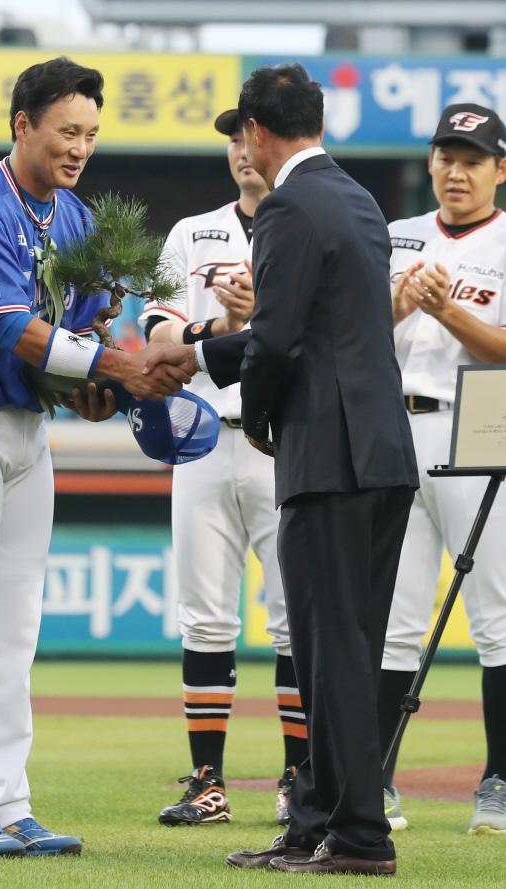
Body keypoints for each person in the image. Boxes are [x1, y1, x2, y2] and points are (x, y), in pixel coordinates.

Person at [0, 56, 188, 858]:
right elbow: (13, 330)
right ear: (23, 124)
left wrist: (102, 380)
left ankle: (7, 799)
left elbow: (80, 338)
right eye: (67, 130)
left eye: (91, 132)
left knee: (15, 625)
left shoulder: (78, 219)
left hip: (24, 428)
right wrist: (122, 369)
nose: (80, 146)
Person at [144, 62, 419, 876]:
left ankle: (359, 837)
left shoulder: (291, 205)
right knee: (346, 647)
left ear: (258, 132)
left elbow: (278, 339)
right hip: (380, 452)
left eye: (242, 132)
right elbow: (322, 330)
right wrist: (198, 350)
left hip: (326, 454)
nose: (242, 146)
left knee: (329, 649)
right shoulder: (360, 198)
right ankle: (314, 824)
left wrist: (250, 412)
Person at [140, 109, 307, 827]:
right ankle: (207, 779)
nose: (243, 149)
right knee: (204, 617)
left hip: (285, 437)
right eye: (233, 138)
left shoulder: (308, 224)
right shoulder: (191, 232)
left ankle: (300, 778)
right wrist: (224, 326)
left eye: (253, 136)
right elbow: (156, 333)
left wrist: (261, 313)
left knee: (295, 623)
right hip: (204, 438)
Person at [378, 103, 506, 837]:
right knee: (394, 619)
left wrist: (449, 311)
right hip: (395, 426)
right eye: (445, 155)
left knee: (497, 616)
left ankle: (498, 778)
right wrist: (397, 305)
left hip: (479, 425)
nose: (456, 171)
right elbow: (355, 333)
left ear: (499, 169)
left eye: (473, 158)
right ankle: (379, 778)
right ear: (429, 161)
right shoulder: (395, 236)